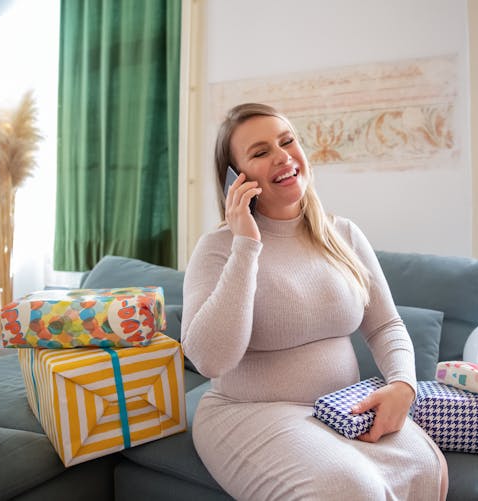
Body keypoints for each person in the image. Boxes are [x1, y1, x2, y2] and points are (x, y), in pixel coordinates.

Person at [181, 103, 448, 500]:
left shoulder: (344, 234)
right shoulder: (218, 249)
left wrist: (403, 384)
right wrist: (246, 245)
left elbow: (385, 325)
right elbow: (209, 359)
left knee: (426, 468)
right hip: (248, 412)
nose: (282, 155)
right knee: (351, 490)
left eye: (287, 141)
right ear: (235, 180)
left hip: (341, 408)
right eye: (260, 152)